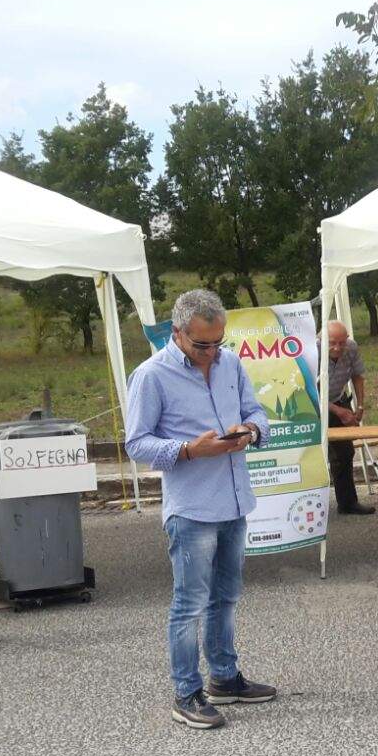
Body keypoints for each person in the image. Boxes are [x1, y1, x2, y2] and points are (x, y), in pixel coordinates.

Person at [124, 290, 275, 729]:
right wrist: (190, 450)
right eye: (201, 345)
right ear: (177, 333)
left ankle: (224, 679)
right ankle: (186, 692)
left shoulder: (230, 364)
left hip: (233, 500)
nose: (211, 354)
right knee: (189, 604)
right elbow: (136, 443)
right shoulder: (151, 376)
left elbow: (257, 413)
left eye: (218, 343)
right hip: (191, 509)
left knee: (225, 599)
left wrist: (249, 430)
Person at [324, 321, 374, 517]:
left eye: (341, 343)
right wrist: (338, 411)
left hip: (337, 397)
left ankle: (347, 503)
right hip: (312, 405)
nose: (337, 348)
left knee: (345, 453)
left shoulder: (351, 347)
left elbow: (358, 376)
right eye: (332, 343)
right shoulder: (314, 350)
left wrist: (359, 406)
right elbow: (309, 389)